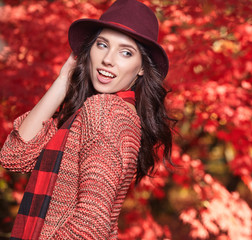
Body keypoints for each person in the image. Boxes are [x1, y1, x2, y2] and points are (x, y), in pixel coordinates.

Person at [0, 0, 174, 239]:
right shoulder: (91, 114)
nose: (108, 59)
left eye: (125, 52)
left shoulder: (106, 111)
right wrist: (64, 79)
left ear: (142, 67)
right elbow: (14, 156)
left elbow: (91, 223)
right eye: (102, 45)